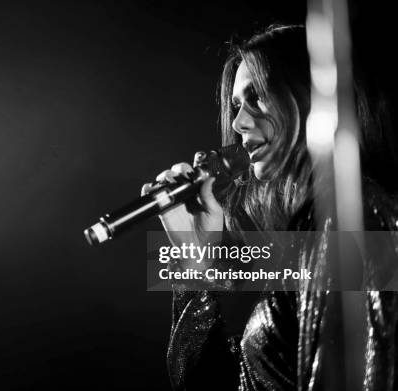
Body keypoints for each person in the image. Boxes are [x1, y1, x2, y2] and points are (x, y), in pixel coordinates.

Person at [141, 25, 398, 390]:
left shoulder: (354, 216)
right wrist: (194, 264)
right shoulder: (310, 232)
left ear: (311, 97)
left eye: (257, 97)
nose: (238, 123)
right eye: (235, 106)